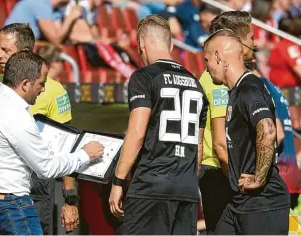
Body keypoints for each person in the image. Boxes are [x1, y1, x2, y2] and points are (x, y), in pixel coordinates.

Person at [0, 51, 104, 235]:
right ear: (25, 84)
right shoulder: (17, 116)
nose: (43, 89)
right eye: (41, 83)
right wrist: (85, 155)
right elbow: (45, 169)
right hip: (8, 205)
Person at [109, 14, 208, 235]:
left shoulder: (144, 77)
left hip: (151, 187)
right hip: (187, 189)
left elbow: (137, 132)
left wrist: (118, 181)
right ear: (171, 44)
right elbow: (198, 148)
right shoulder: (196, 84)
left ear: (141, 44)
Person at [0, 23, 80, 235]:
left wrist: (70, 200)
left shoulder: (53, 91)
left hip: (36, 190)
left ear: (24, 53)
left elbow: (67, 146)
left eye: (5, 50)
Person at [204, 29, 290, 234]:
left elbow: (269, 131)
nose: (206, 69)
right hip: (241, 201)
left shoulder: (248, 88)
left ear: (218, 56)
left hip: (264, 202)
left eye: (206, 60)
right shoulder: (234, 92)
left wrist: (258, 178)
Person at [198, 11, 257, 234]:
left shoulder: (236, 78)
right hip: (220, 173)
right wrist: (237, 185)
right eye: (251, 38)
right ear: (236, 42)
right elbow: (221, 144)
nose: (255, 43)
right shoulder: (217, 80)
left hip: (227, 172)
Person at [245, 60, 301, 210]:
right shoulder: (273, 87)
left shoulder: (256, 86)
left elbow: (277, 134)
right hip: (292, 171)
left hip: (278, 173)